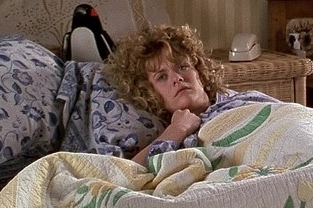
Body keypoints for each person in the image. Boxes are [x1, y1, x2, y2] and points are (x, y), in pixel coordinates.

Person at [104, 24, 277, 166]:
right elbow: (129, 173)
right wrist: (177, 129)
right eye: (162, 77)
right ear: (150, 93)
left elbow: (288, 116)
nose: (177, 78)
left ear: (199, 72)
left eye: (182, 67)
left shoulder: (246, 99)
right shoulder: (176, 139)